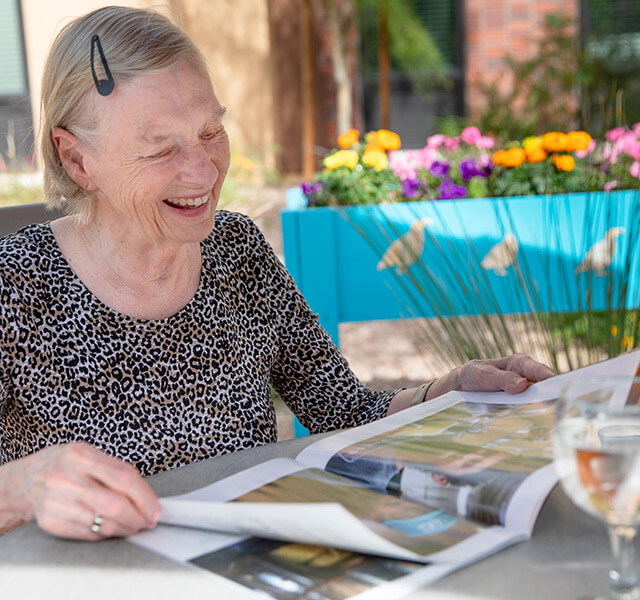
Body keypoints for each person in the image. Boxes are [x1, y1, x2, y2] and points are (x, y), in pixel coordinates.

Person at [0, 6, 554, 542]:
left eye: (211, 131)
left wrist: (454, 390)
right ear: (76, 161)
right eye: (158, 150)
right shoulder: (15, 285)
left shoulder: (237, 249)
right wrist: (24, 488)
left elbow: (345, 411)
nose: (202, 171)